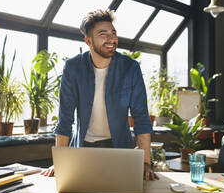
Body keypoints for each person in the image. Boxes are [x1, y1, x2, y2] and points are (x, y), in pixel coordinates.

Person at [41, 9, 158, 181]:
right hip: (83, 149)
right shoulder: (73, 68)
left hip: (120, 149)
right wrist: (59, 162)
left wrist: (146, 163)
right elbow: (65, 119)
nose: (111, 39)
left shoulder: (130, 68)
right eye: (103, 34)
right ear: (88, 41)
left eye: (113, 33)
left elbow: (141, 118)